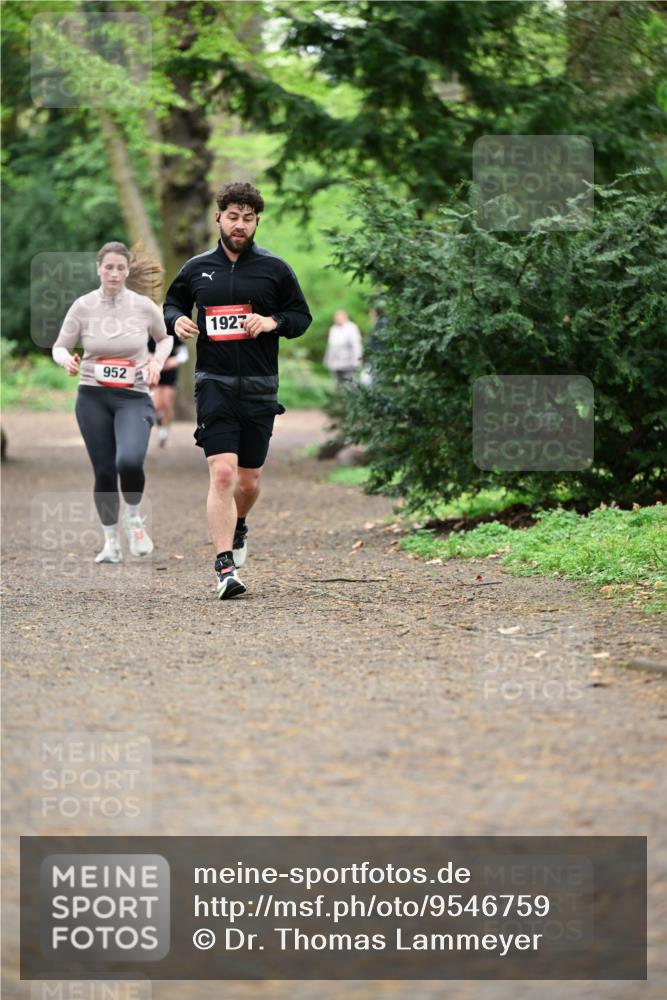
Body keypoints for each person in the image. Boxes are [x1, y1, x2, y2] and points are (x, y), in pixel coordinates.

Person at [163, 181, 312, 600]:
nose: (240, 225)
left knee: (248, 482)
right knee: (223, 472)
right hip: (214, 383)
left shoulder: (275, 269)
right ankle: (224, 568)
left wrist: (272, 322)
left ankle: (240, 523)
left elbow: (301, 317)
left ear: (257, 221)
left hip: (261, 387)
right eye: (233, 217)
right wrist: (176, 321)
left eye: (248, 218)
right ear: (219, 218)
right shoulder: (196, 269)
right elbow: (171, 305)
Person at [52, 242, 173, 563]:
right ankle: (110, 543)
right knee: (104, 471)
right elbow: (59, 346)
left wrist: (155, 364)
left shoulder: (144, 306)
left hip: (134, 396)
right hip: (92, 395)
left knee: (129, 462)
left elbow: (165, 338)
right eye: (109, 267)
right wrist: (66, 360)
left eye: (121, 267)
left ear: (128, 270)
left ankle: (133, 518)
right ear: (98, 268)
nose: (115, 273)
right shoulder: (83, 306)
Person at [148, 333, 189, 447]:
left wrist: (175, 360)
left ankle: (163, 434)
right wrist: (150, 357)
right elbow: (142, 351)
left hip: (170, 373)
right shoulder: (150, 334)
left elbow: (184, 353)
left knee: (166, 404)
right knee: (156, 405)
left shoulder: (172, 335)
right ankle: (158, 418)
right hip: (155, 370)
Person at [323, 309, 363, 387]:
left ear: (345, 317)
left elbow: (356, 346)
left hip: (349, 363)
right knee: (337, 386)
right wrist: (327, 360)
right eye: (336, 317)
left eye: (339, 317)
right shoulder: (333, 329)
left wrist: (358, 360)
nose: (337, 319)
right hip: (335, 364)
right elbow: (330, 347)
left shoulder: (352, 328)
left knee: (349, 385)